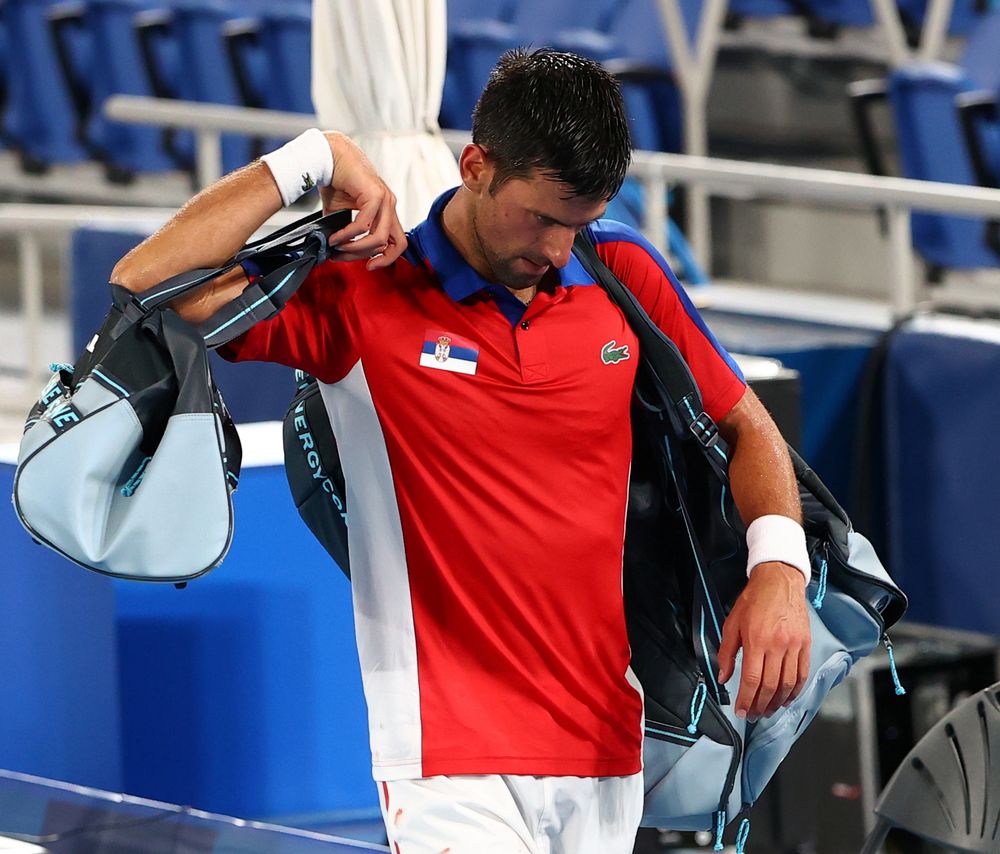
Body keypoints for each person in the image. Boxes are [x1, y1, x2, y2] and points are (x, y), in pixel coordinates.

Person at [112, 49, 812, 854]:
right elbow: (145, 281)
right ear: (475, 165)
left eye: (577, 224)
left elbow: (747, 427)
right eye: (542, 218)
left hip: (606, 747)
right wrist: (314, 160)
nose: (557, 250)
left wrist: (779, 572)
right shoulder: (362, 294)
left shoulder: (619, 270)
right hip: (448, 756)